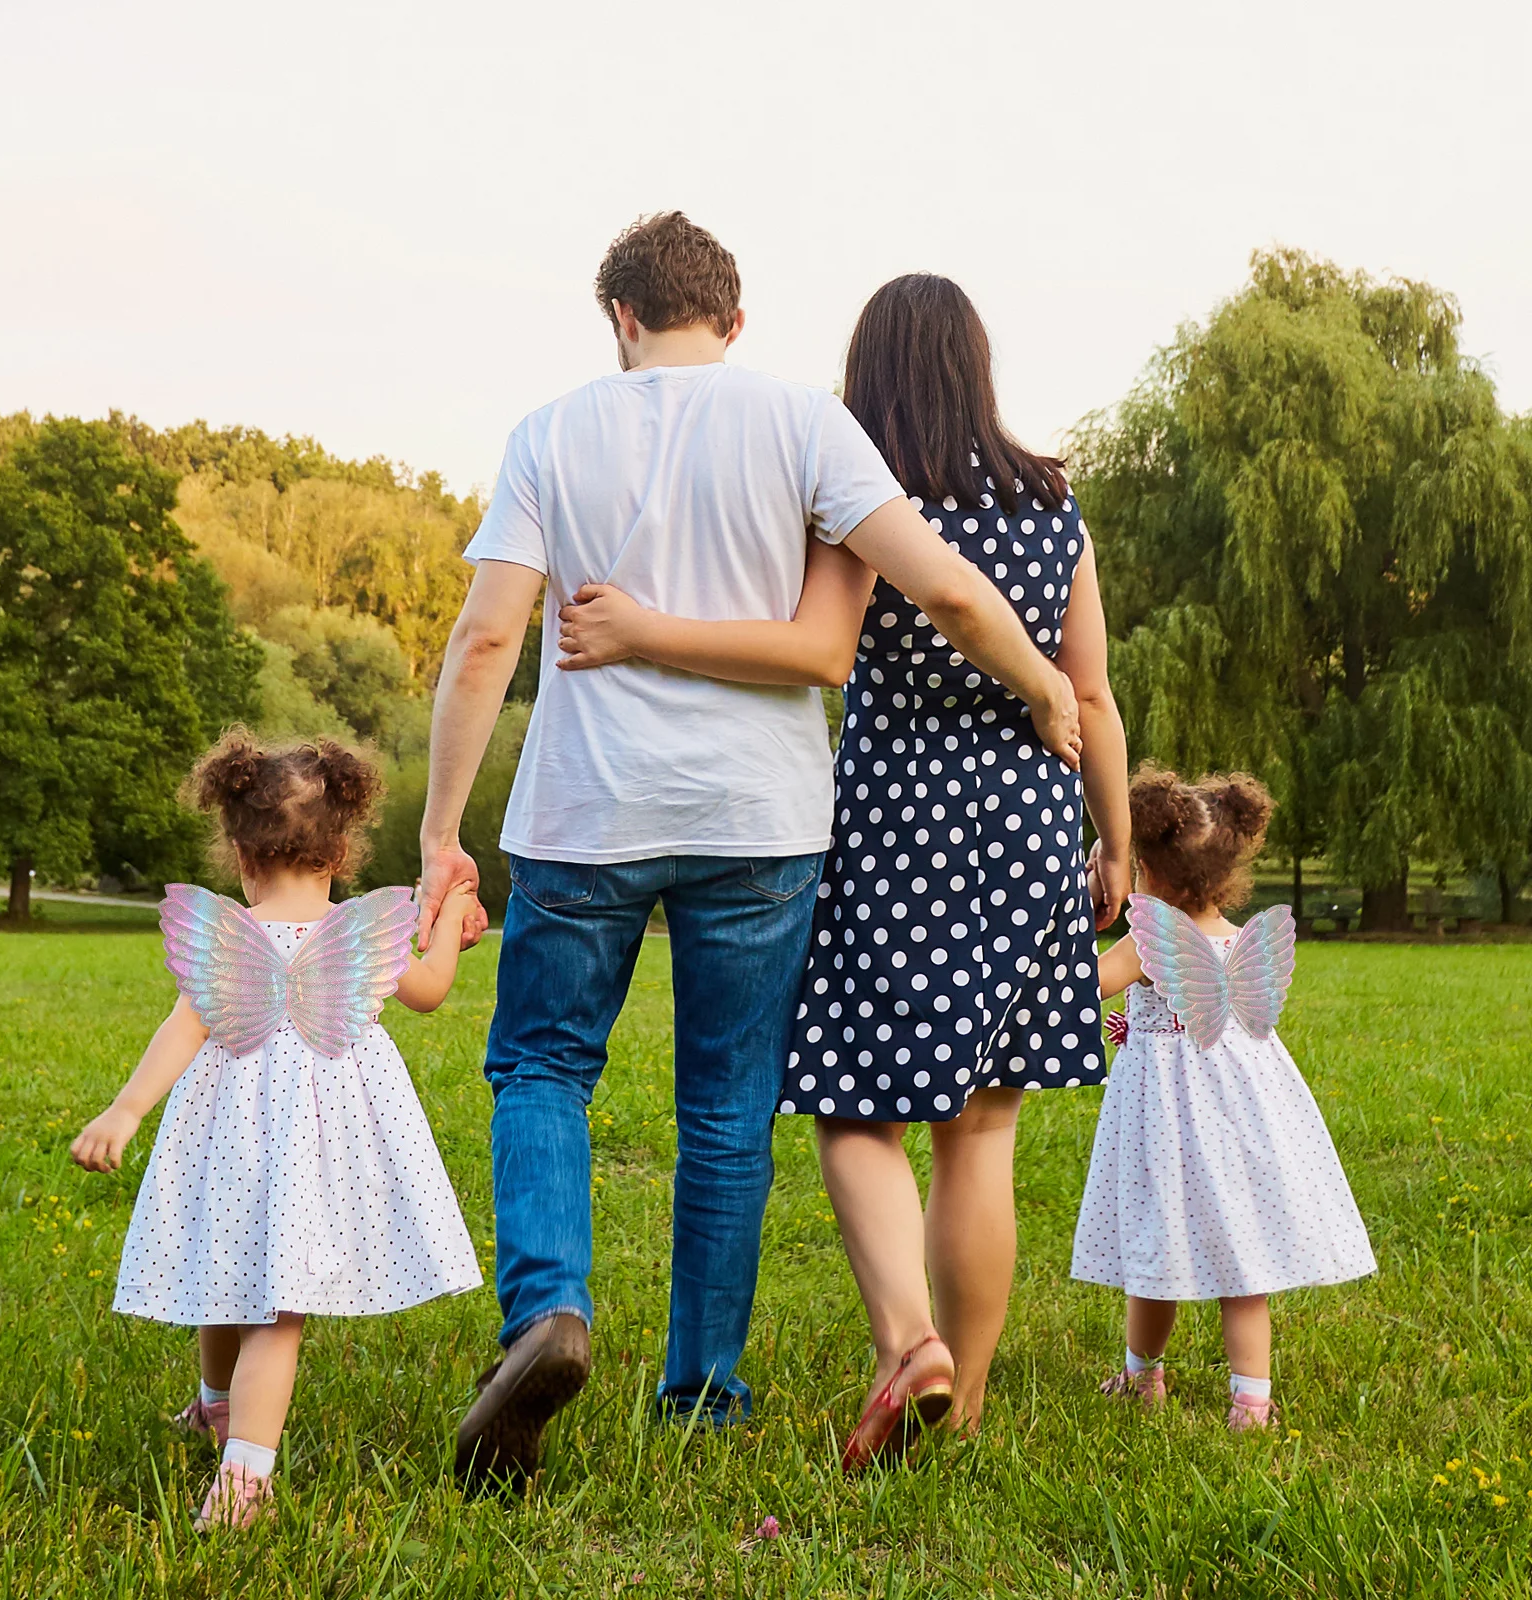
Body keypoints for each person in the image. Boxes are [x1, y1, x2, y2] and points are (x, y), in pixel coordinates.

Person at [418, 214, 1083, 1490]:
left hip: (584, 819)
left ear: (619, 318)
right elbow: (942, 587)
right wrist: (1045, 691)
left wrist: (445, 832)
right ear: (733, 318)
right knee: (725, 1110)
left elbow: (487, 638)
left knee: (546, 1066)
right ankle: (703, 1392)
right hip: (761, 825)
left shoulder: (552, 431)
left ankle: (546, 1312)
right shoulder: (802, 424)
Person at [557, 273, 1131, 1465]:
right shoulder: (1051, 506)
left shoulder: (865, 499)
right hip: (1029, 816)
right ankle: (960, 1405)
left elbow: (809, 652)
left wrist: (642, 628)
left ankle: (906, 1341)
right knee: (982, 1129)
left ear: (868, 373)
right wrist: (1113, 839)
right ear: (978, 366)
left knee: (852, 1109)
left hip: (893, 819)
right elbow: (1090, 695)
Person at [70, 731, 483, 1529]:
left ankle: (230, 1445)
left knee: (232, 1285)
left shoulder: (235, 940)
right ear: (343, 847)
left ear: (239, 851)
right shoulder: (366, 931)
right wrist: (455, 910)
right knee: (276, 1305)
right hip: (319, 1150)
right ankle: (236, 1458)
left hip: (231, 1142)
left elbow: (180, 1033)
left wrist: (127, 1109)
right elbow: (430, 988)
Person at [1072, 767, 1376, 1430]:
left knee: (1157, 1254)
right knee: (1244, 1267)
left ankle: (1142, 1375)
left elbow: (1083, 987)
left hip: (1170, 1126)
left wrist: (1070, 914)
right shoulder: (1238, 943)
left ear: (1146, 872)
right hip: (1243, 1122)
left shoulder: (1147, 944)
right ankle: (1251, 1403)